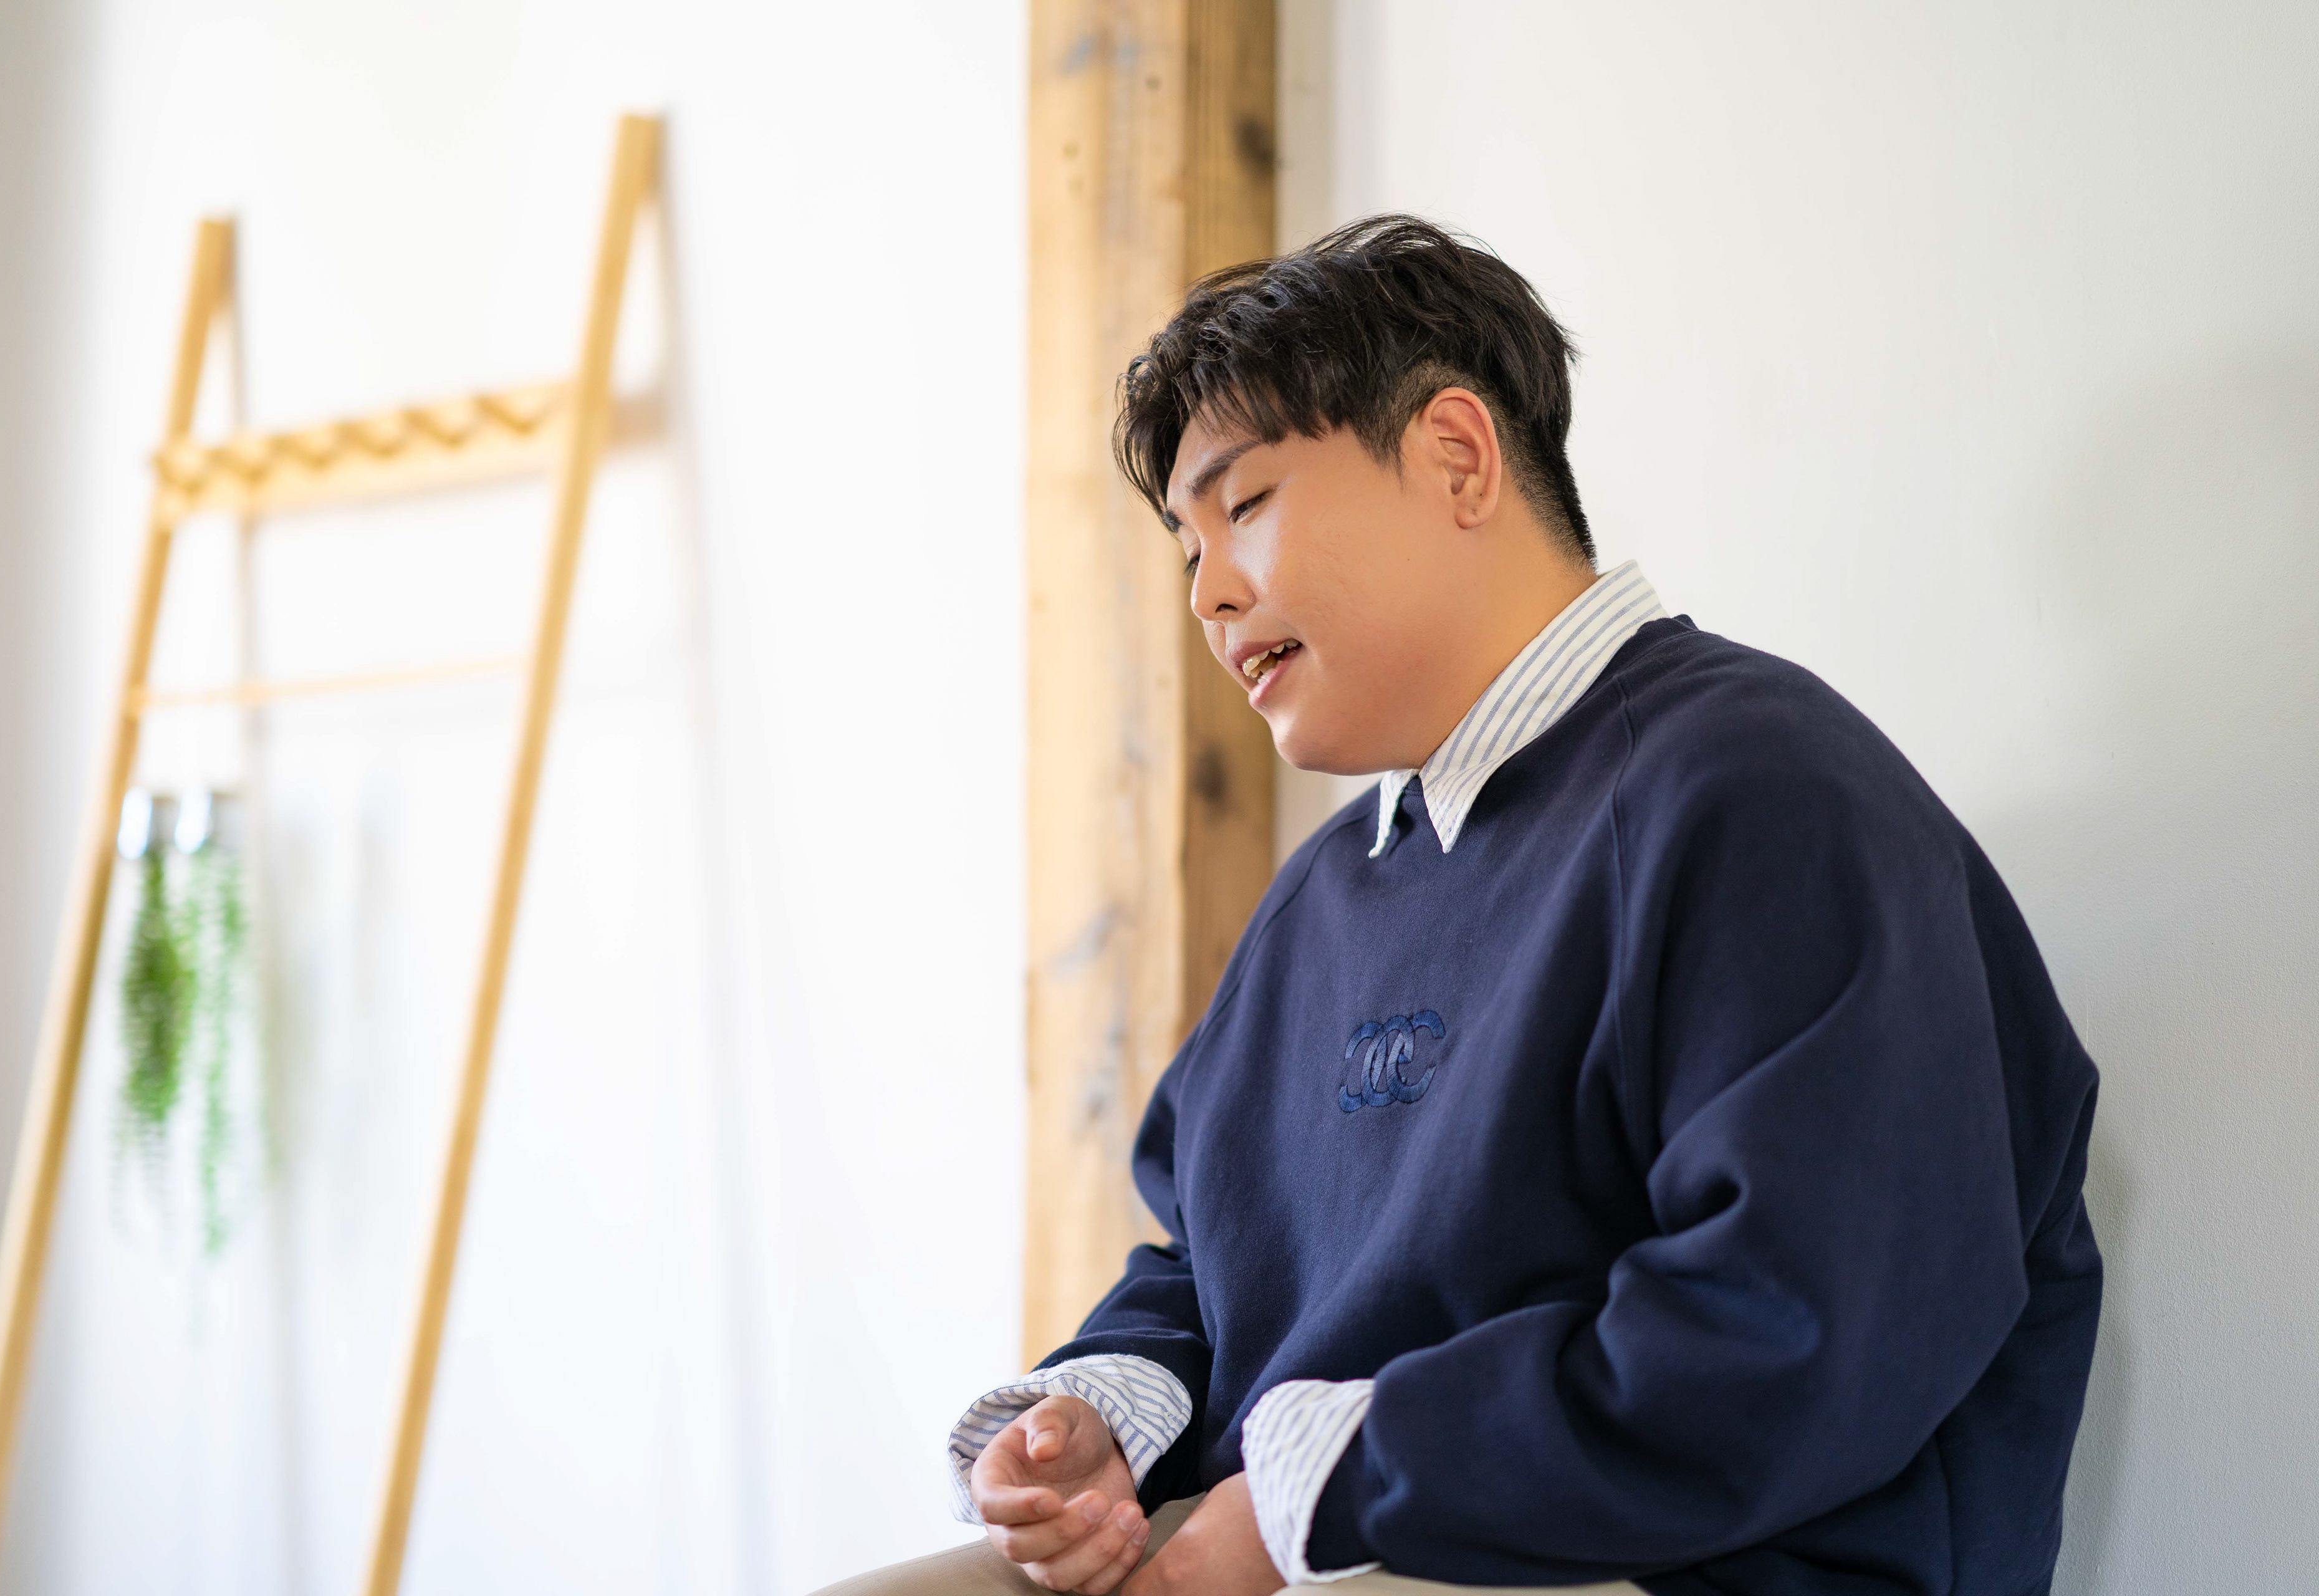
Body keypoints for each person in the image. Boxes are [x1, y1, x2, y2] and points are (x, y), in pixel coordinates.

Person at [819, 217, 2101, 1596]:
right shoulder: (1324, 895)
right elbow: (1211, 1258)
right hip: (1309, 1537)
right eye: (1188, 547)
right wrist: (1101, 1420)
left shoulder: (1762, 792)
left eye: (1244, 507)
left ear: (1456, 457)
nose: (1209, 593)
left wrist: (1318, 1494)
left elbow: (1807, 1322)